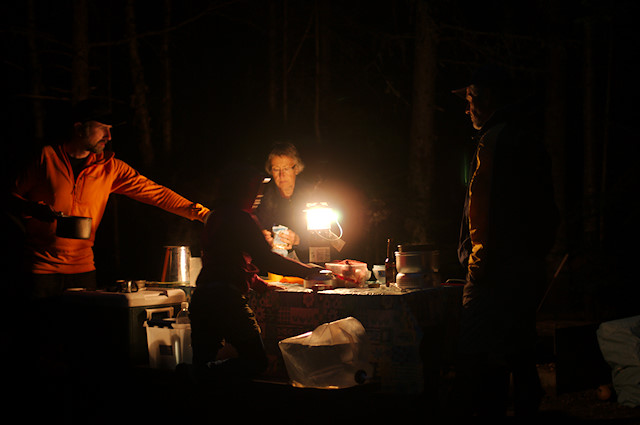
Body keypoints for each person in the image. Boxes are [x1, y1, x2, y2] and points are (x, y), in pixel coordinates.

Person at [9, 99, 210, 298]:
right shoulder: (46, 158)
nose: (108, 136)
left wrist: (205, 215)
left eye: (110, 129)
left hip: (83, 270)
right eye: (102, 128)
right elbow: (8, 198)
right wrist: (33, 209)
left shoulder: (109, 168)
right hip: (40, 270)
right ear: (79, 129)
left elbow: (156, 193)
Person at [450, 65, 559, 418]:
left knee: (479, 353)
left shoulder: (496, 140)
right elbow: (547, 208)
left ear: (488, 100)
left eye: (471, 100)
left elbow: (484, 207)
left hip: (496, 270)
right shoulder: (529, 138)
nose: (467, 109)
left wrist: (478, 265)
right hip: (526, 264)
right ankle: (526, 407)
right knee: (519, 346)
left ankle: (485, 411)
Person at [187, 162, 324, 385]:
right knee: (255, 361)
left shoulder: (213, 216)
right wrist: (310, 271)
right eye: (254, 188)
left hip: (202, 298)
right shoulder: (242, 219)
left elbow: (225, 259)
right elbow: (267, 259)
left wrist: (258, 284)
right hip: (227, 301)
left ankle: (198, 375)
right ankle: (199, 374)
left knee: (203, 361)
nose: (258, 194)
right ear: (239, 189)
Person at [255, 142, 316, 263]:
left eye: (286, 169)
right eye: (276, 169)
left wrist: (298, 240)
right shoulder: (261, 195)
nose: (281, 175)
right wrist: (261, 237)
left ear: (296, 169)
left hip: (306, 262)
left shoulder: (311, 194)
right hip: (269, 262)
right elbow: (251, 226)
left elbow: (324, 238)